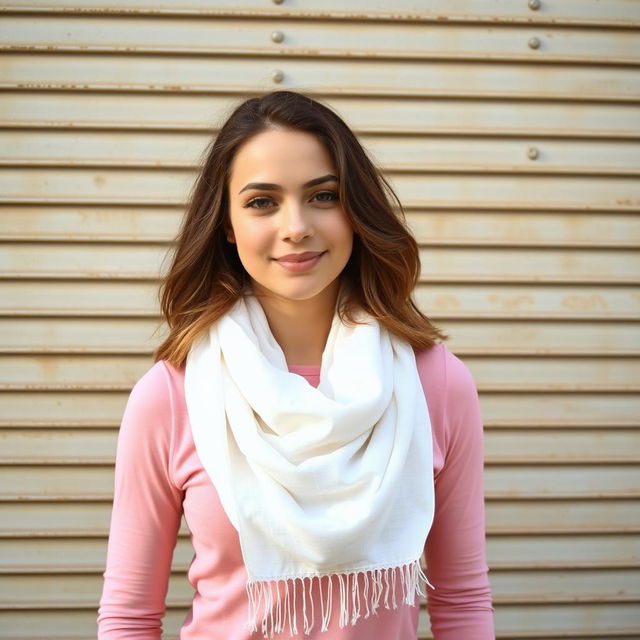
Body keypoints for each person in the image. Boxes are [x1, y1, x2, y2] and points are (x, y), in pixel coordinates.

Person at [97, 90, 495, 639]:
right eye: (262, 202)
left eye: (324, 196)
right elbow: (128, 616)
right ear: (228, 225)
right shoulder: (171, 394)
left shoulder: (436, 382)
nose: (296, 226)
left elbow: (463, 601)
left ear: (356, 211)